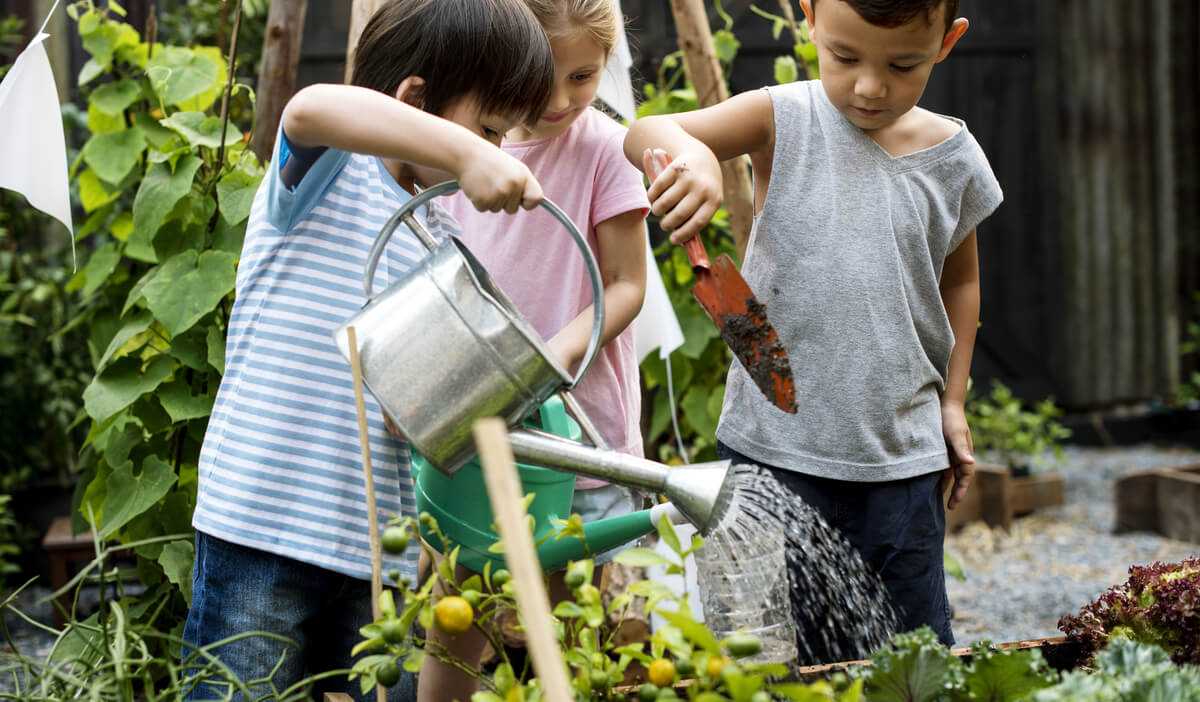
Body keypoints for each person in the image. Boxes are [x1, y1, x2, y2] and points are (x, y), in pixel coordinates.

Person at [181, 0, 554, 699]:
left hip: (373, 557)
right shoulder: (329, 178)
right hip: (263, 528)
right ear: (415, 99)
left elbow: (408, 411)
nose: (495, 152)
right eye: (489, 130)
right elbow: (312, 108)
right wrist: (464, 151)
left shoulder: (439, 244)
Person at [623, 0, 1002, 655]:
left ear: (947, 41)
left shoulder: (954, 158)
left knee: (910, 657)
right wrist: (694, 158)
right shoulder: (783, 116)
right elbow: (644, 131)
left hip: (901, 459)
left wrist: (956, 399)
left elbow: (960, 280)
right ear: (810, 21)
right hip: (774, 449)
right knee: (767, 652)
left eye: (902, 64)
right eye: (845, 57)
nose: (869, 86)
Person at [424, 0, 649, 698]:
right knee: (458, 619)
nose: (560, 100)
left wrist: (544, 361)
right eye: (543, 75)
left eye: (584, 77)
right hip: (479, 432)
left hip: (585, 438)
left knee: (593, 632)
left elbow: (626, 285)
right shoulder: (463, 148)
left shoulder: (605, 150)